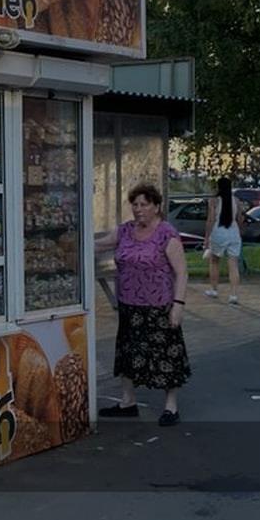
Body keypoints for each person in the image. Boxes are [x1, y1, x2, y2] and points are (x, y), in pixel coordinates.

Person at [96, 182, 191, 426]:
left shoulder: (166, 234)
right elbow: (100, 243)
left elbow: (181, 272)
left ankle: (171, 406)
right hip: (129, 305)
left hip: (158, 306)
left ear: (156, 207)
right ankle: (127, 401)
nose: (138, 209)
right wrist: (73, 238)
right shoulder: (125, 231)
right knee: (128, 352)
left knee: (165, 353)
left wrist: (178, 305)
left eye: (144, 204)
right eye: (135, 204)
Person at [203, 177, 245, 304]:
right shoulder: (236, 201)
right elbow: (240, 219)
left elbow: (210, 220)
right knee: (233, 265)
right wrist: (240, 232)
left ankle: (214, 289)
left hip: (218, 232)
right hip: (233, 232)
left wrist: (206, 237)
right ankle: (233, 295)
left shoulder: (214, 201)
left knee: (214, 261)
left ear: (218, 187)